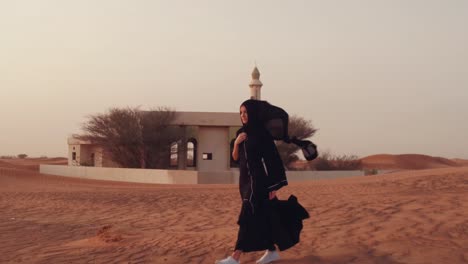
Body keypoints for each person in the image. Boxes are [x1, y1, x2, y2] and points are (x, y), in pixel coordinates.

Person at [215, 99, 293, 264]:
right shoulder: (239, 133)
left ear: (253, 114)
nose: (243, 115)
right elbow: (235, 159)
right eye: (241, 112)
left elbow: (273, 160)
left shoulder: (262, 134)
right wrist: (236, 144)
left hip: (258, 182)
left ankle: (235, 257)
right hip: (244, 182)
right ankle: (272, 251)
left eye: (246, 112)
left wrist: (274, 186)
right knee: (263, 216)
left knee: (247, 216)